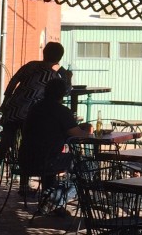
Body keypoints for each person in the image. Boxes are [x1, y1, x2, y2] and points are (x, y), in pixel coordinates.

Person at [0, 41, 72, 197]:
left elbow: (13, 82)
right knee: (27, 145)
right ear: (58, 59)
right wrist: (68, 78)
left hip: (14, 108)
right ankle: (24, 184)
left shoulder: (31, 65)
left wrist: (6, 100)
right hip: (31, 115)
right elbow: (63, 92)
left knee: (4, 144)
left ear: (44, 53)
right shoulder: (53, 76)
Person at [17, 77, 92, 210]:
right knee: (86, 166)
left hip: (25, 159)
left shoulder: (35, 108)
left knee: (54, 157)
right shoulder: (62, 111)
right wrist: (89, 132)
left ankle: (51, 196)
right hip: (47, 161)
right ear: (63, 94)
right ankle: (56, 200)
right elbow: (78, 134)